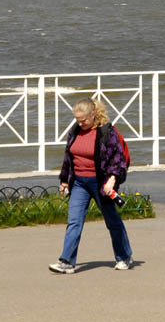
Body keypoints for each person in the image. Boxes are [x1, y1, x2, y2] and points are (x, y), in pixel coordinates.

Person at [49, 97, 133, 274]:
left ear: (93, 114)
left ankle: (124, 256)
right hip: (79, 182)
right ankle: (67, 262)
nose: (80, 123)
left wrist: (112, 180)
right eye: (77, 120)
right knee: (74, 221)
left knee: (112, 221)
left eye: (83, 120)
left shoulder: (106, 133)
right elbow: (68, 157)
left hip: (101, 183)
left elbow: (117, 160)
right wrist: (64, 180)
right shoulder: (75, 130)